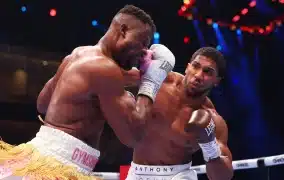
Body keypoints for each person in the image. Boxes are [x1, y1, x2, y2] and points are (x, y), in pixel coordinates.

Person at [0, 5, 175, 180]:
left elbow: (43, 105)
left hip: (41, 157)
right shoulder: (105, 69)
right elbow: (133, 137)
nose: (144, 51)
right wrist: (151, 83)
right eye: (142, 42)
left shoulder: (78, 54)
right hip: (60, 168)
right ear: (123, 30)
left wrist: (149, 71)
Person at [125, 47, 233, 180]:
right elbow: (113, 77)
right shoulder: (159, 80)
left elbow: (223, 177)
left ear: (217, 81)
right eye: (195, 66)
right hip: (136, 173)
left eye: (207, 72)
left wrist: (210, 146)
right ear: (188, 67)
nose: (198, 75)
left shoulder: (213, 120)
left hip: (178, 176)